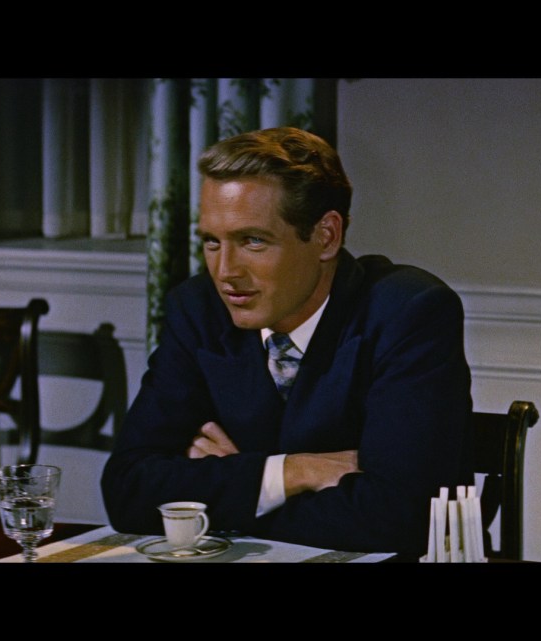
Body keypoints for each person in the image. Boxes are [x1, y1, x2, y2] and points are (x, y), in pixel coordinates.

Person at [101, 126, 473, 558]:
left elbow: (398, 518)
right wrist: (292, 473)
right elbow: (127, 492)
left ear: (326, 236)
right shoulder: (197, 310)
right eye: (212, 242)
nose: (226, 271)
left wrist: (229, 489)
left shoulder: (408, 312)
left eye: (252, 240)